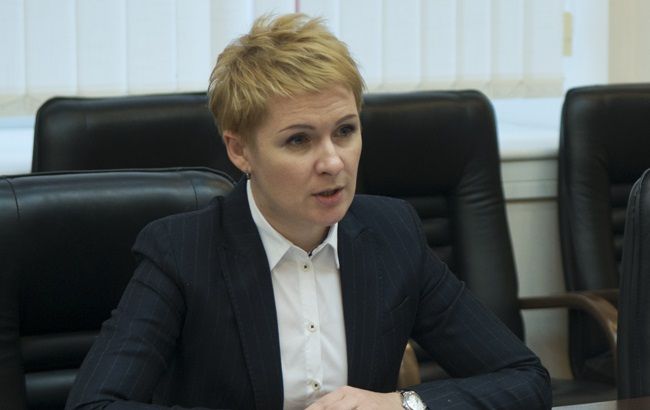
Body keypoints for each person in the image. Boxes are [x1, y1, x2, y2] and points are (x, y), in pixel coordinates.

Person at [66, 13, 552, 410]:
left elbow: (523, 378)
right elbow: (95, 403)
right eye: (299, 140)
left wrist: (402, 404)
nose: (333, 162)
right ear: (240, 150)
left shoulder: (393, 234)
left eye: (345, 131)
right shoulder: (182, 252)